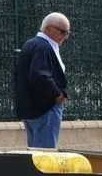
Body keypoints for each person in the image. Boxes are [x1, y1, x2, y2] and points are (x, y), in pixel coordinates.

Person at [14, 12, 71, 148]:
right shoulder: (43, 47)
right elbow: (40, 76)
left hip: (31, 109)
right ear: (49, 28)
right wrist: (57, 94)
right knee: (45, 153)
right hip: (45, 110)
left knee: (35, 152)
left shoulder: (30, 44)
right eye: (63, 32)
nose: (65, 36)